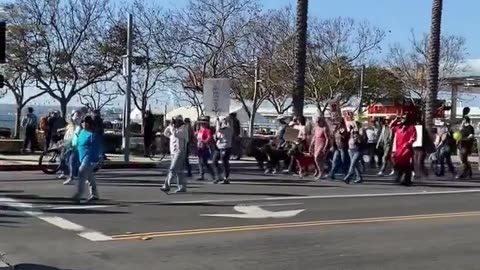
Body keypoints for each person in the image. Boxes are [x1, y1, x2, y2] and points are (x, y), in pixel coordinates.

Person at [72, 116, 101, 204]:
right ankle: (95, 195)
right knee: (89, 176)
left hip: (90, 159)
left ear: (90, 124)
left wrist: (99, 160)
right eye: (83, 122)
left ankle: (78, 195)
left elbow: (99, 149)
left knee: (82, 174)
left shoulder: (93, 135)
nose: (84, 124)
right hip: (82, 157)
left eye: (86, 122)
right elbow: (77, 144)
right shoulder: (81, 132)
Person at [161, 115, 188, 193]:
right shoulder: (173, 129)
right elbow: (166, 133)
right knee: (179, 170)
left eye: (176, 121)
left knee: (172, 169)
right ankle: (182, 187)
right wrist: (170, 125)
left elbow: (176, 134)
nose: (175, 122)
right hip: (173, 152)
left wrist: (172, 127)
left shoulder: (183, 129)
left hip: (180, 151)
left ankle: (166, 185)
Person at [390, 114, 417, 186]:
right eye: (402, 118)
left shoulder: (411, 127)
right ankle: (399, 177)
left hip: (406, 149)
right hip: (398, 149)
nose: (402, 119)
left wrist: (408, 143)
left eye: (404, 118)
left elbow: (413, 138)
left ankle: (407, 180)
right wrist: (395, 119)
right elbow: (391, 126)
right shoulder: (398, 127)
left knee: (406, 164)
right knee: (399, 164)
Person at [213, 116, 234, 184]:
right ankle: (218, 176)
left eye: (225, 121)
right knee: (214, 161)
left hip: (226, 147)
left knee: (224, 162)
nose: (223, 123)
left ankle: (226, 178)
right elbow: (217, 134)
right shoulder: (221, 130)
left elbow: (218, 129)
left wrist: (217, 121)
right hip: (218, 147)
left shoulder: (229, 129)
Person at [196, 117, 215, 181]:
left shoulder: (207, 130)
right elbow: (197, 137)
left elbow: (209, 137)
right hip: (199, 147)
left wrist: (204, 141)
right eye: (201, 123)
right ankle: (201, 175)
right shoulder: (200, 130)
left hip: (205, 147)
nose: (202, 125)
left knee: (204, 162)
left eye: (203, 124)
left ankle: (213, 174)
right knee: (200, 162)